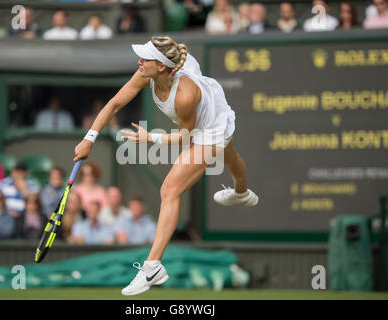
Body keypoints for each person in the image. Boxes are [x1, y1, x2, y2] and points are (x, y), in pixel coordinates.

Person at [73, 36, 259, 296]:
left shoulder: (184, 96)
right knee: (231, 156)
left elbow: (186, 137)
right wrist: (88, 138)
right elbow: (114, 103)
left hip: (208, 128)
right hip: (206, 105)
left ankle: (152, 266)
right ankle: (242, 192)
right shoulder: (146, 74)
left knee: (169, 190)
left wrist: (151, 138)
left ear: (161, 66)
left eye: (145, 58)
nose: (139, 61)